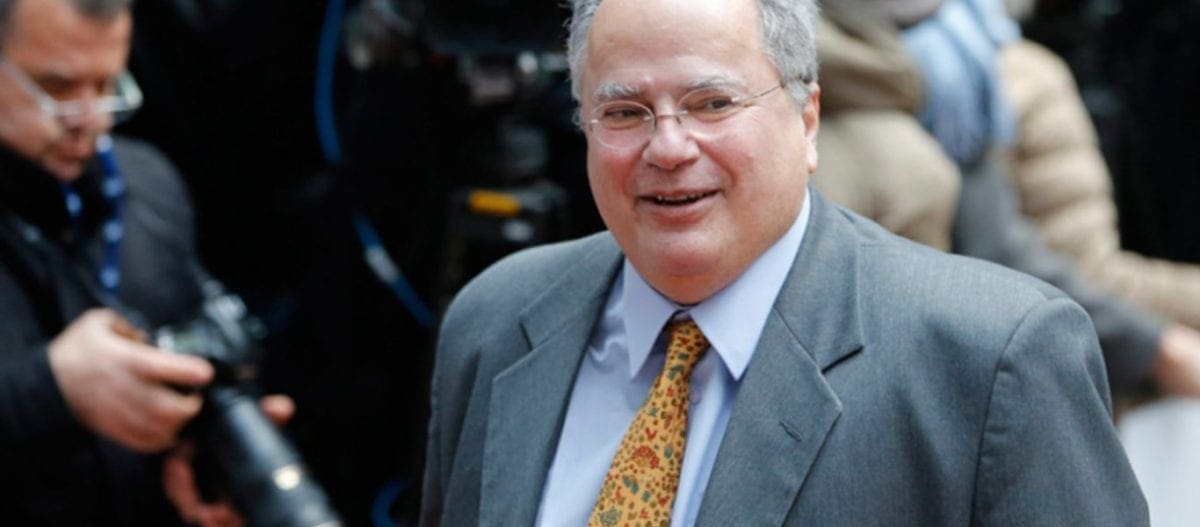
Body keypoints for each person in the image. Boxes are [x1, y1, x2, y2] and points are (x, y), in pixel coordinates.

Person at [420, 0, 1148, 524]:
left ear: (807, 120)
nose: (667, 147)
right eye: (623, 112)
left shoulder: (991, 358)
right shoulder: (496, 320)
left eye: (712, 103)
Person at [0, 0, 287, 524]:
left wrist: (208, 460)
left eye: (107, 85)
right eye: (58, 88)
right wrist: (50, 388)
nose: (90, 120)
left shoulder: (147, 184)